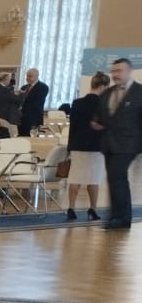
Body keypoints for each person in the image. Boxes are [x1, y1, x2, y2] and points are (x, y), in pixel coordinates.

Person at [99, 57, 142, 230]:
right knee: (114, 178)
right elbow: (101, 116)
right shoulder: (107, 93)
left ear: (129, 71)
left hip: (129, 143)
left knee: (117, 175)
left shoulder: (139, 92)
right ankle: (119, 216)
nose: (115, 74)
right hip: (109, 144)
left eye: (119, 71)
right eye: (113, 71)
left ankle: (120, 217)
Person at [64, 71, 109, 221]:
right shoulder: (104, 104)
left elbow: (73, 126)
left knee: (75, 177)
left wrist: (70, 146)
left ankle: (71, 208)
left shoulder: (77, 103)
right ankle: (92, 209)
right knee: (93, 179)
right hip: (96, 146)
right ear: (103, 86)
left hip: (77, 144)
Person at [19, 67, 49, 133]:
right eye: (27, 76)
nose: (27, 78)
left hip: (34, 118)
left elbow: (37, 102)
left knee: (33, 136)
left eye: (30, 76)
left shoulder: (43, 87)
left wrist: (25, 95)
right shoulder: (24, 87)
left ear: (36, 76)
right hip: (22, 118)